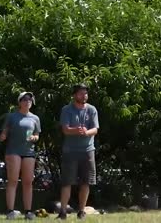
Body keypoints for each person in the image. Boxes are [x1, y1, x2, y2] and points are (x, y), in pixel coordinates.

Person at [57, 84, 99, 220]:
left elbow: (95, 129)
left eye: (85, 93)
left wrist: (86, 132)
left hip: (88, 151)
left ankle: (81, 211)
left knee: (86, 182)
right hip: (70, 151)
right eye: (81, 93)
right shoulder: (67, 110)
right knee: (67, 182)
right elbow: (65, 129)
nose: (84, 96)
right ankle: (63, 211)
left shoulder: (92, 110)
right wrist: (76, 130)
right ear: (74, 95)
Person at [0, 92, 41, 220]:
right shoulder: (12, 116)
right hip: (13, 151)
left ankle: (28, 211)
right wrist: (3, 136)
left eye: (30, 99)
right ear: (19, 102)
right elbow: (4, 132)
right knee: (13, 180)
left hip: (29, 152)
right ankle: (10, 211)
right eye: (24, 99)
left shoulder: (35, 118)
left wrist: (34, 137)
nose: (27, 101)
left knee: (28, 182)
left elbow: (37, 134)